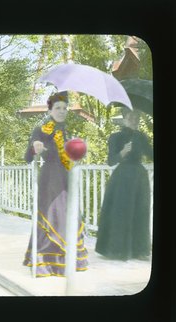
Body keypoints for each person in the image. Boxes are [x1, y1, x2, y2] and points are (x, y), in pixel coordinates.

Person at [22, 92, 88, 277]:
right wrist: (35, 148)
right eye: (58, 108)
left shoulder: (66, 129)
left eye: (65, 108)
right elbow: (27, 157)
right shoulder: (41, 129)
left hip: (67, 178)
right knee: (53, 216)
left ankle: (67, 261)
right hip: (50, 179)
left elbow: (68, 153)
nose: (62, 111)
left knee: (70, 216)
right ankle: (47, 263)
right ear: (50, 109)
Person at [95, 108, 153, 261]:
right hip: (122, 178)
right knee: (121, 212)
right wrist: (123, 152)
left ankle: (139, 250)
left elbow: (151, 155)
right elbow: (110, 161)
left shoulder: (141, 137)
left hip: (139, 178)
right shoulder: (116, 137)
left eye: (137, 117)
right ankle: (118, 250)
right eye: (131, 117)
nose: (135, 120)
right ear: (125, 118)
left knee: (140, 211)